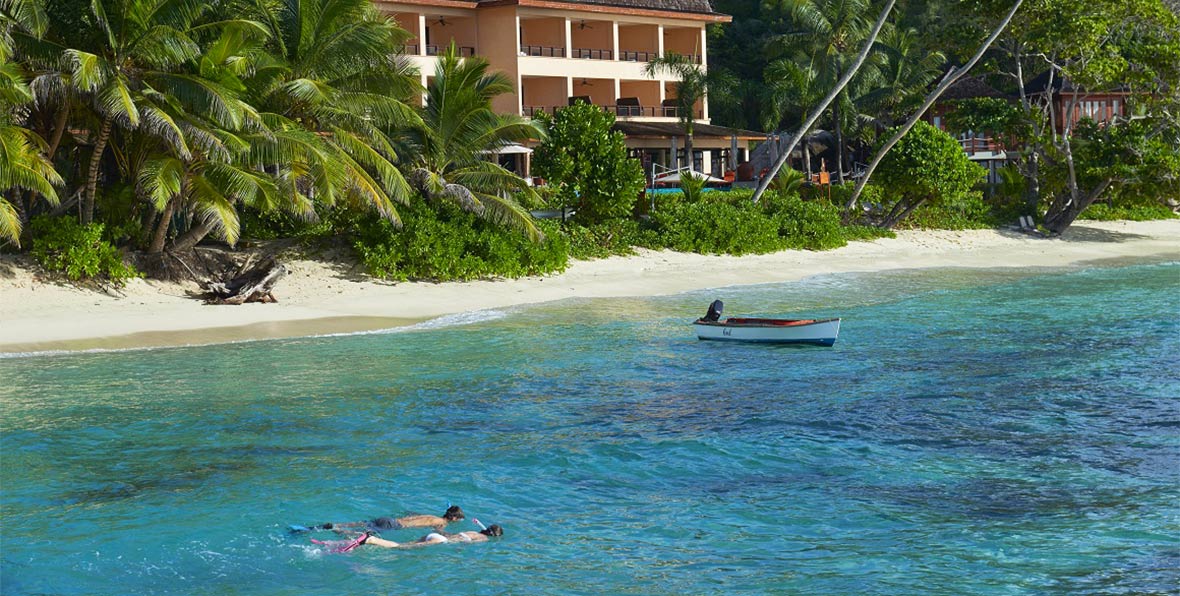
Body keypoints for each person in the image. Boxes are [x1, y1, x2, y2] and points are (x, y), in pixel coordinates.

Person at [301, 505, 465, 533]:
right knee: (360, 532)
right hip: (393, 526)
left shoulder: (431, 515)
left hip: (389, 519)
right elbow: (439, 533)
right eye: (458, 519)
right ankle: (336, 529)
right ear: (453, 518)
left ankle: (331, 525)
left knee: (360, 523)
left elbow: (412, 514)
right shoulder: (441, 522)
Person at [357, 524, 503, 549]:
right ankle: (371, 539)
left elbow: (452, 535)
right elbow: (465, 544)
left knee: (406, 543)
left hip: (436, 535)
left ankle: (367, 539)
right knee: (401, 547)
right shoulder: (483, 539)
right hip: (440, 541)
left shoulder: (472, 531)